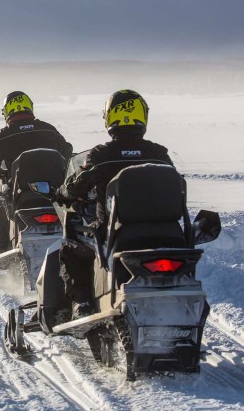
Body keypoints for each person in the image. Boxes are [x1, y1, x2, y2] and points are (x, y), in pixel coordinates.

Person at [57, 89, 173, 318]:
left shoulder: (102, 155)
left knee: (71, 246)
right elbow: (175, 185)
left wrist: (63, 192)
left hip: (114, 231)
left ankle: (82, 302)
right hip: (166, 233)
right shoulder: (159, 153)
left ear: (110, 117)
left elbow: (78, 184)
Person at [0, 91, 72, 263]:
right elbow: (67, 151)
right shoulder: (49, 129)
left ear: (7, 111)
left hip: (20, 194)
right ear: (30, 107)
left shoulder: (2, 135)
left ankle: (0, 246)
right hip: (53, 194)